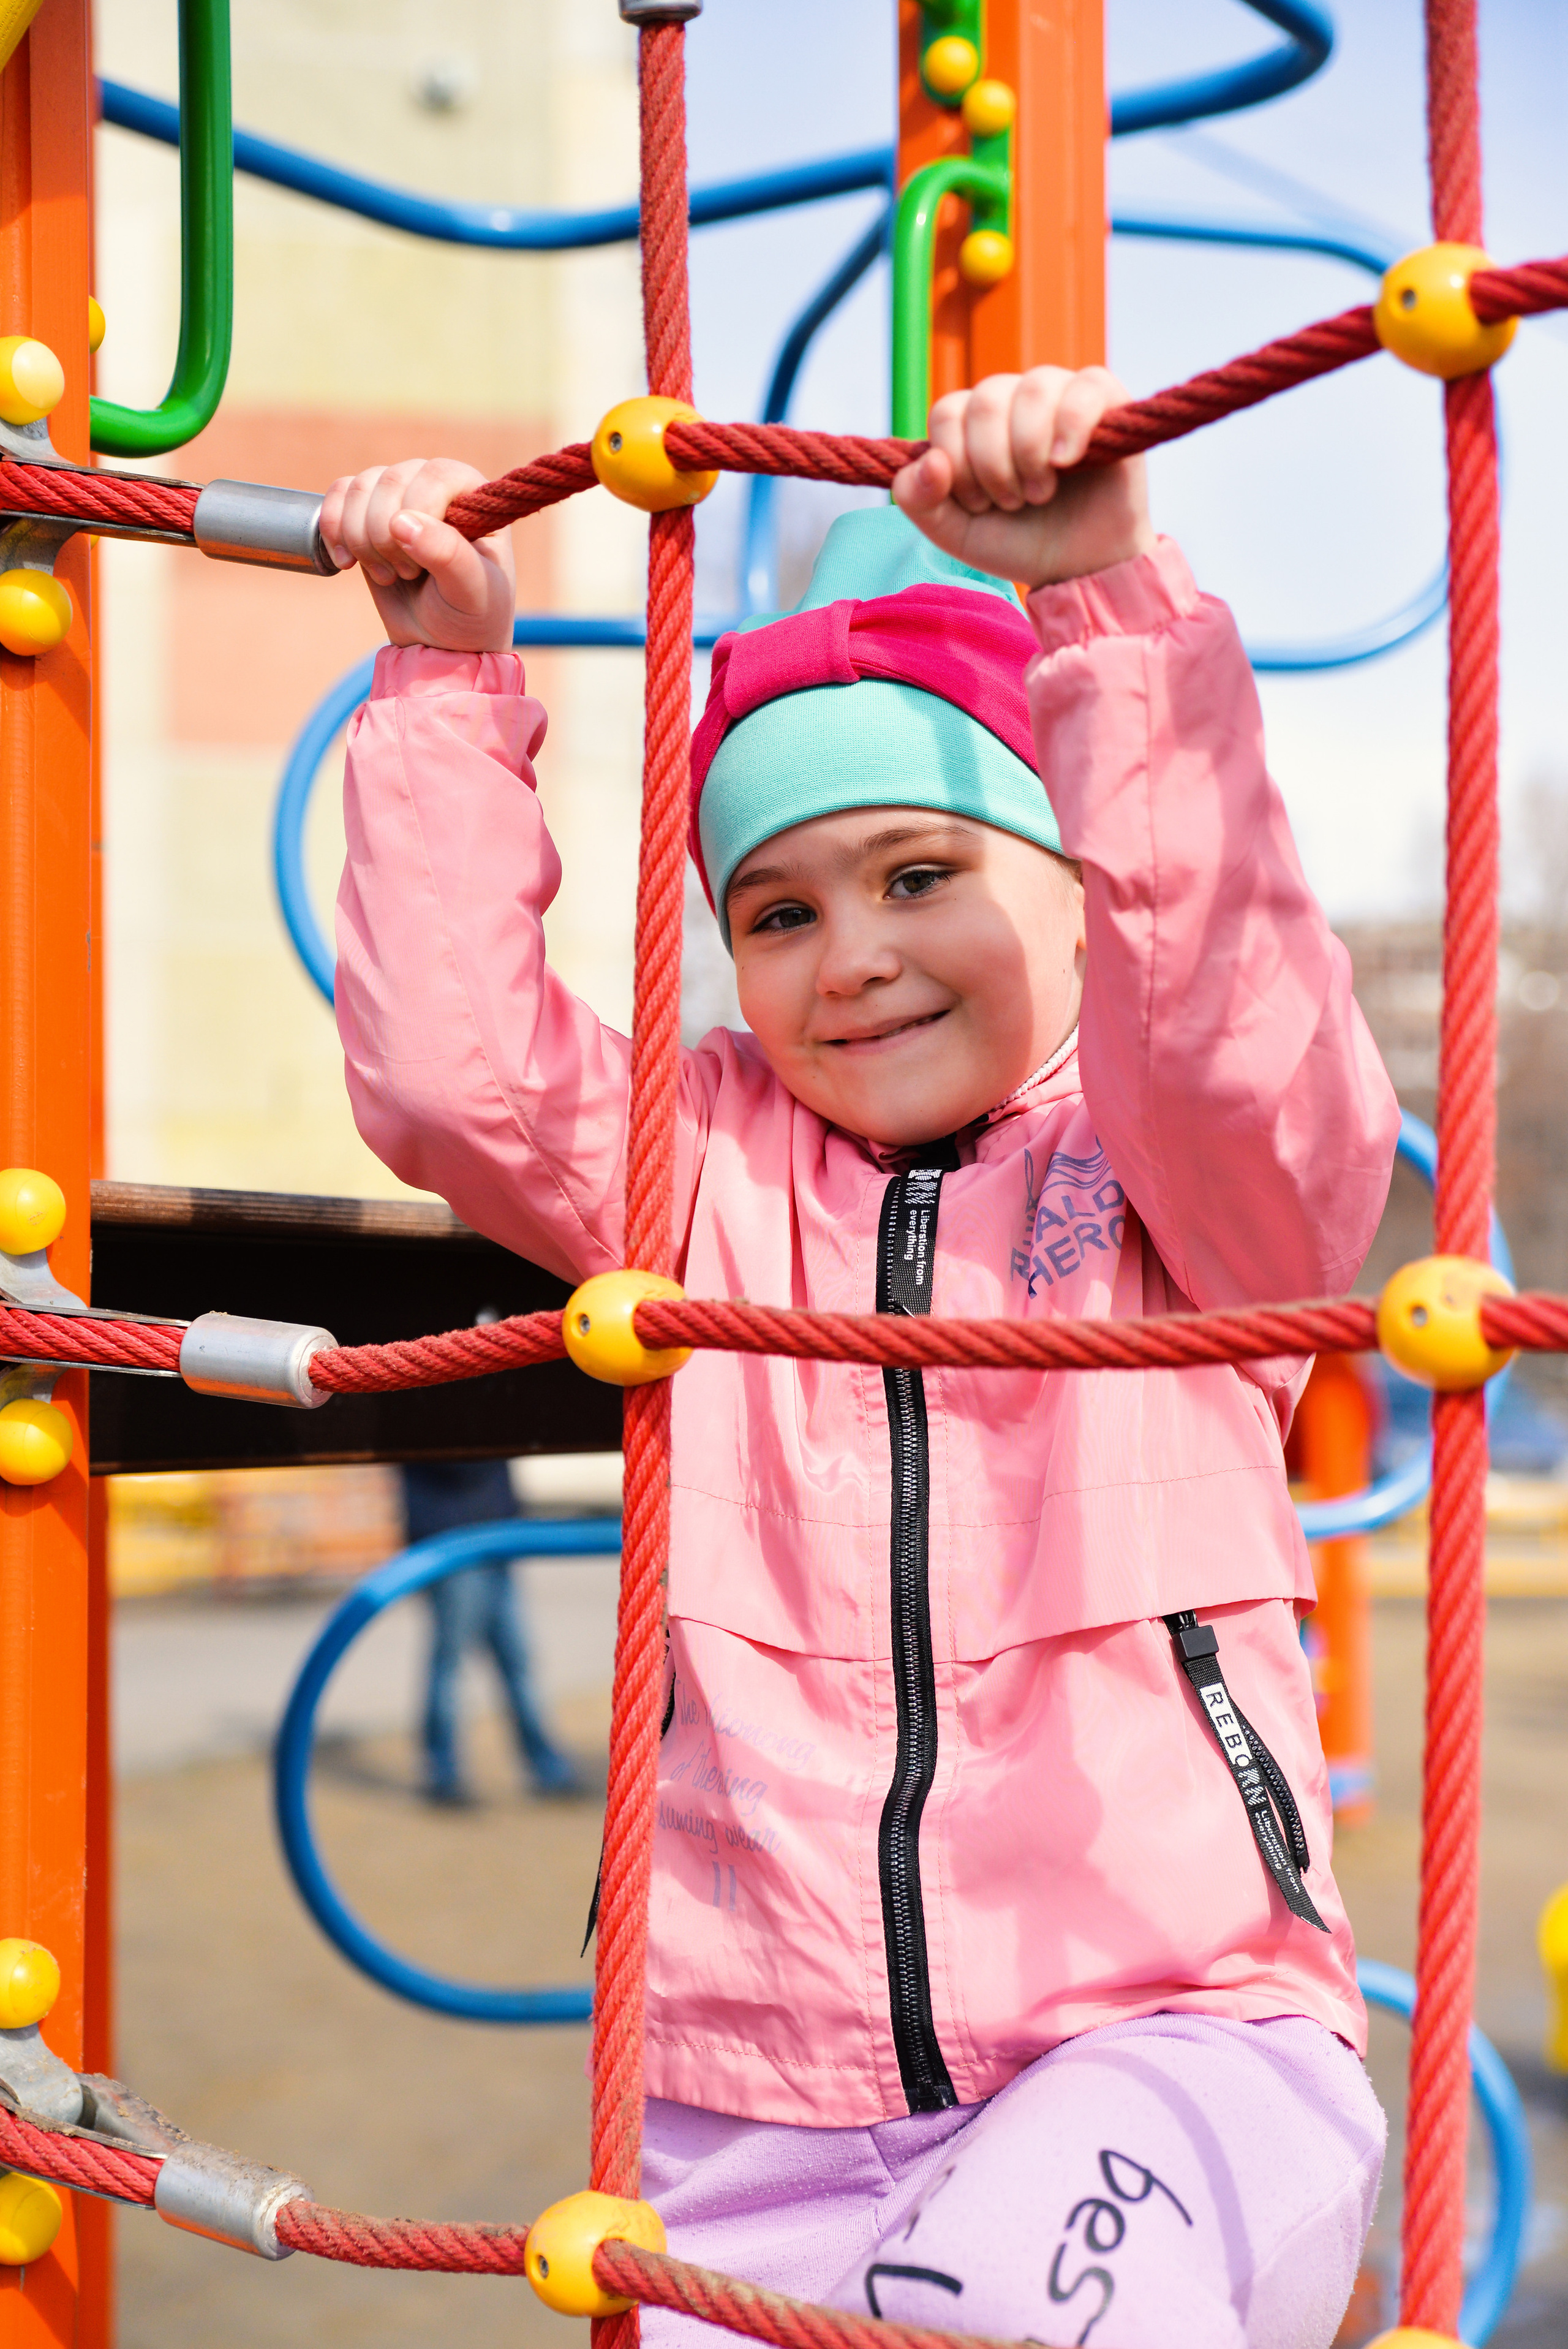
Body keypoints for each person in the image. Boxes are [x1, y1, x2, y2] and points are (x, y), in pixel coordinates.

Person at [322, 365, 1400, 2349]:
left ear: (1080, 897)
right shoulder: (706, 1170)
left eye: (924, 874)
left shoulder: (1180, 1184)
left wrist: (1107, 616)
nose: (857, 954)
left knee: (998, 2311)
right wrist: (448, 692)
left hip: (1164, 2027)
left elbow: (1238, 1018)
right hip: (755, 2095)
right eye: (780, 909)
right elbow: (450, 1078)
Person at [399, 1458, 579, 1803]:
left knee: (518, 1662)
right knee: (450, 1665)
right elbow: (464, 1466)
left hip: (496, 1539)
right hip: (452, 1541)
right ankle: (442, 1772)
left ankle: (547, 1767)